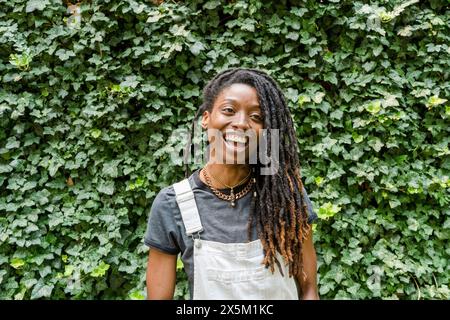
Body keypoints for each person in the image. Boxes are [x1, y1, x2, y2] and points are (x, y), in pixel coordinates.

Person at [144, 68, 319, 300]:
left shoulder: (286, 196)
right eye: (229, 110)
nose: (241, 123)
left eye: (256, 117)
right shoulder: (173, 204)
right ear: (206, 118)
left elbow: (309, 292)